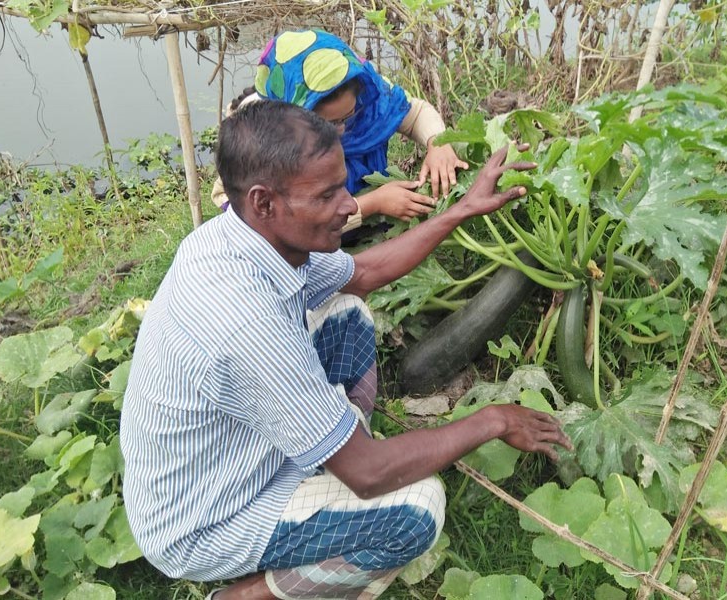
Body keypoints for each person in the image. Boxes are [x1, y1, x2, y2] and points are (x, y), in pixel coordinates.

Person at [120, 100, 570, 600]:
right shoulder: (245, 322)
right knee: (417, 507)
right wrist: (495, 420)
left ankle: (327, 454)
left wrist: (460, 210)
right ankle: (240, 595)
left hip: (230, 455)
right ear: (264, 202)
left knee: (346, 312)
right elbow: (370, 474)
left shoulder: (242, 237)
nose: (351, 205)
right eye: (328, 193)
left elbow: (365, 274)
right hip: (204, 520)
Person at [211, 29, 469, 230]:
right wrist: (372, 204)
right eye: (330, 124)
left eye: (350, 115)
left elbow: (415, 114)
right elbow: (287, 226)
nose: (344, 129)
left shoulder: (369, 95)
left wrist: (439, 143)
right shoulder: (261, 139)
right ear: (294, 114)